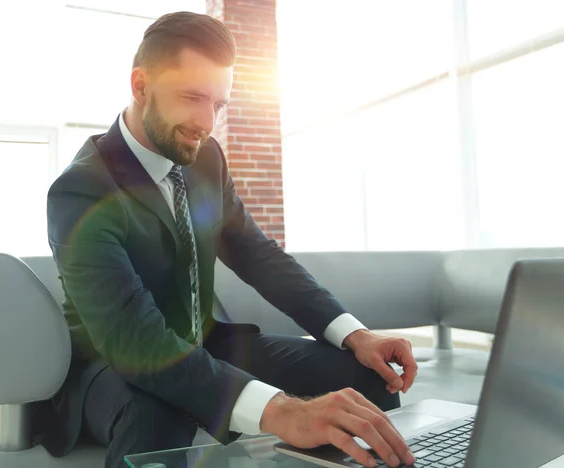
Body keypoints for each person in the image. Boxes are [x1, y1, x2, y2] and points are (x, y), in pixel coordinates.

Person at [43, 11, 418, 468]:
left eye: (218, 104)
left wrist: (353, 334)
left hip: (207, 342)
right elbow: (134, 338)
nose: (207, 122)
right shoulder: (81, 190)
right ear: (141, 86)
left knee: (366, 377)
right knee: (158, 415)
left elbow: (258, 256)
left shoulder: (205, 159)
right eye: (192, 97)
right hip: (111, 362)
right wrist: (283, 411)